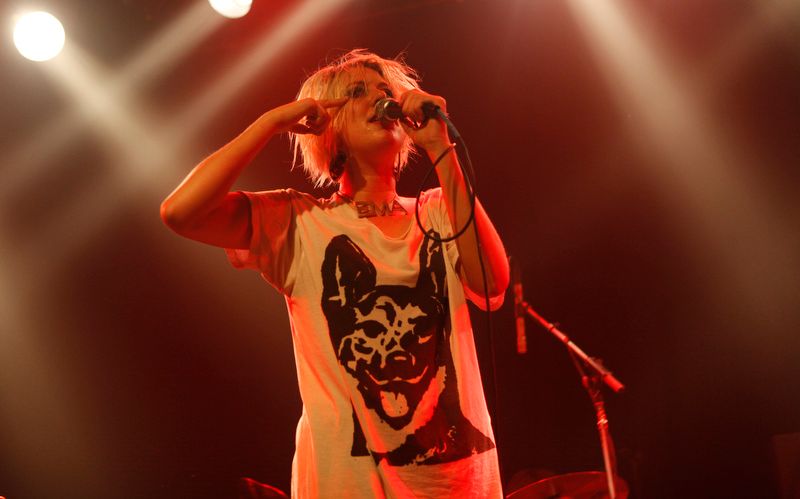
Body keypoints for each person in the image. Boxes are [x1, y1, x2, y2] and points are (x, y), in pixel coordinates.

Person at [161, 49, 510, 498]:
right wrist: (270, 123)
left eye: (385, 91)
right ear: (327, 126)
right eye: (357, 93)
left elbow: (491, 284)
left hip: (456, 482)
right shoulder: (298, 220)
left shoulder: (440, 209)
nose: (379, 99)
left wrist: (442, 149)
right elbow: (180, 212)